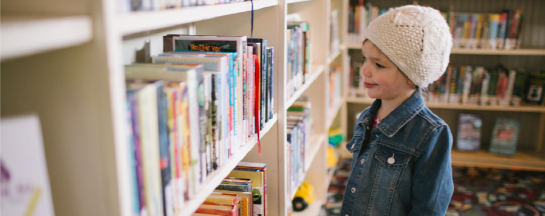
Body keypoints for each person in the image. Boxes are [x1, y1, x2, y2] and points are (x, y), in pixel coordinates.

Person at [340, 5, 454, 216]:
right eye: (365, 59)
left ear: (412, 75)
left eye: (379, 65)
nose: (364, 70)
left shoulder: (431, 133)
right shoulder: (367, 117)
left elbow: (429, 208)